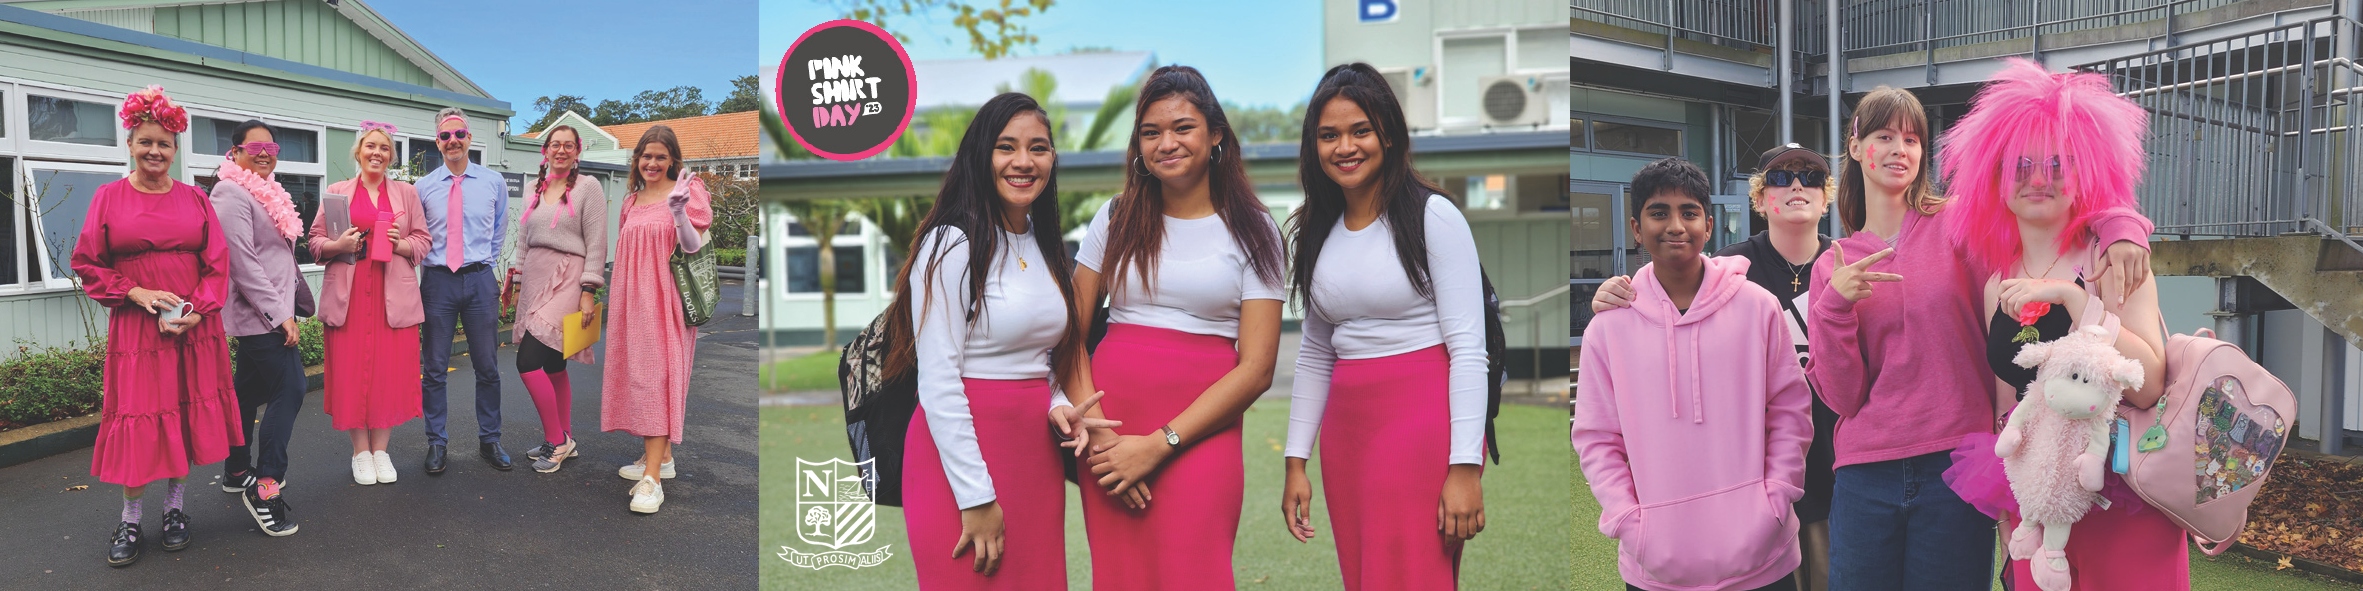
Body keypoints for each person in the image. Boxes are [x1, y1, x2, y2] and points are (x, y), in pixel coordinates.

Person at [1803, 86, 2153, 590]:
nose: (1899, 149)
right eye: (1884, 136)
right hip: (1866, 473)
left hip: (1957, 462)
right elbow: (1842, 396)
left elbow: (2049, 204)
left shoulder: (1960, 225)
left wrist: (2124, 227)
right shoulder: (1831, 266)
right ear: (1856, 147)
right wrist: (1835, 305)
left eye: (1912, 138)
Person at [1934, 58, 2181, 590]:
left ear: (2086, 172)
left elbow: (2150, 384)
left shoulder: (2112, 262)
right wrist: (2009, 510)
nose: (2038, 179)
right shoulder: (1996, 284)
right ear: (1994, 178)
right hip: (2039, 504)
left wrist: (2075, 300)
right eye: (2019, 165)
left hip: (2121, 497)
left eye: (2058, 163)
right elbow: (2007, 408)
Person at [1064, 65, 1288, 590]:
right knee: (1121, 577)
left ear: (1215, 135)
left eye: (1182, 127)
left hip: (1200, 434)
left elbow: (1257, 369)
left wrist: (1160, 444)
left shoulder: (1256, 231)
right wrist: (1096, 435)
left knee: (1196, 573)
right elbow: (1068, 334)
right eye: (1151, 132)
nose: (1167, 142)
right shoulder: (1116, 217)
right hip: (1110, 433)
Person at [880, 92, 1106, 588]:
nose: (1023, 162)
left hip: (1035, 457)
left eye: (1039, 148)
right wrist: (976, 497)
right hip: (960, 460)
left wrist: (1058, 402)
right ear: (982, 157)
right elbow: (938, 378)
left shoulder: (1044, 244)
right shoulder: (951, 244)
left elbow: (1039, 357)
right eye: (1007, 147)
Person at [1593, 142, 1840, 590]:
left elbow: (1788, 411)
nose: (1675, 226)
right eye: (1781, 178)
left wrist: (1773, 502)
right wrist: (1632, 523)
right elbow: (1597, 437)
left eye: (1688, 214)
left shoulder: (1843, 265)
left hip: (1817, 493)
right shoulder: (1618, 320)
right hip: (1659, 557)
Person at [1277, 63, 1487, 590]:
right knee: (1365, 575)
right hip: (1347, 430)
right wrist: (1295, 460)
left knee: (1410, 575)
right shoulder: (1316, 229)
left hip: (1419, 416)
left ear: (1388, 135)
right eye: (1329, 135)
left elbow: (1468, 346)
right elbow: (1315, 354)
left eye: (1360, 130)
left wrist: (1464, 466)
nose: (1344, 146)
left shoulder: (1433, 216)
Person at [75, 85, 240, 567]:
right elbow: (88, 262)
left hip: (191, 327)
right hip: (137, 330)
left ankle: (174, 511)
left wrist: (196, 312)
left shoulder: (196, 199)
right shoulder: (108, 198)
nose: (155, 151)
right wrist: (135, 291)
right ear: (130, 143)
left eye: (164, 144)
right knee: (142, 417)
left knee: (182, 413)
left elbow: (217, 264)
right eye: (146, 141)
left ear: (175, 149)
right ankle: (130, 517)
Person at [312, 121, 430, 486]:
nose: (376, 153)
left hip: (391, 296)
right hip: (350, 294)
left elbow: (423, 242)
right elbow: (315, 242)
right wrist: (338, 246)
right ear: (359, 152)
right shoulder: (337, 192)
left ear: (391, 155)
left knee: (388, 372)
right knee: (352, 372)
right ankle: (360, 452)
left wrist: (400, 244)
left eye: (383, 148)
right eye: (370, 146)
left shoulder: (407, 194)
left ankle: (381, 451)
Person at [602, 125, 711, 513]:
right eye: (646, 156)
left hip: (666, 300)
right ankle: (661, 458)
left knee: (657, 379)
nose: (652, 163)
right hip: (632, 299)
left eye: (660, 157)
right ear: (637, 160)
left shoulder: (688, 192)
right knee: (640, 374)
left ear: (672, 161)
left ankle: (652, 481)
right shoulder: (630, 202)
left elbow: (692, 246)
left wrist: (679, 212)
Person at [208, 119, 306, 536]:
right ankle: (264, 487)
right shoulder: (229, 191)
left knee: (246, 391)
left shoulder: (266, 192)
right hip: (259, 316)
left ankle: (235, 471)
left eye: (272, 147)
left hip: (269, 311)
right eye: (255, 147)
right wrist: (278, 313)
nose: (265, 153)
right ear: (235, 153)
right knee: (293, 387)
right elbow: (242, 261)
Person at [416, 107, 511, 473]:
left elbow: (499, 228)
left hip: (479, 278)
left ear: (469, 138)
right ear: (437, 143)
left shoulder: (492, 182)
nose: (452, 141)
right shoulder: (423, 188)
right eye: (445, 136)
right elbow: (420, 236)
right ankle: (437, 443)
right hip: (438, 281)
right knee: (435, 367)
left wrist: (484, 262)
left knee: (487, 366)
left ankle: (490, 439)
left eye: (458, 134)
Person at [512, 125, 608, 473]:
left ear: (577, 151)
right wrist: (519, 283)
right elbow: (523, 240)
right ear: (546, 151)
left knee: (527, 362)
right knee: (553, 364)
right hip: (536, 275)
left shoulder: (588, 187)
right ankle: (564, 436)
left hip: (569, 276)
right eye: (556, 145)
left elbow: (597, 242)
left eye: (569, 145)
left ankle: (558, 439)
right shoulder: (533, 189)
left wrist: (588, 291)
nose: (562, 150)